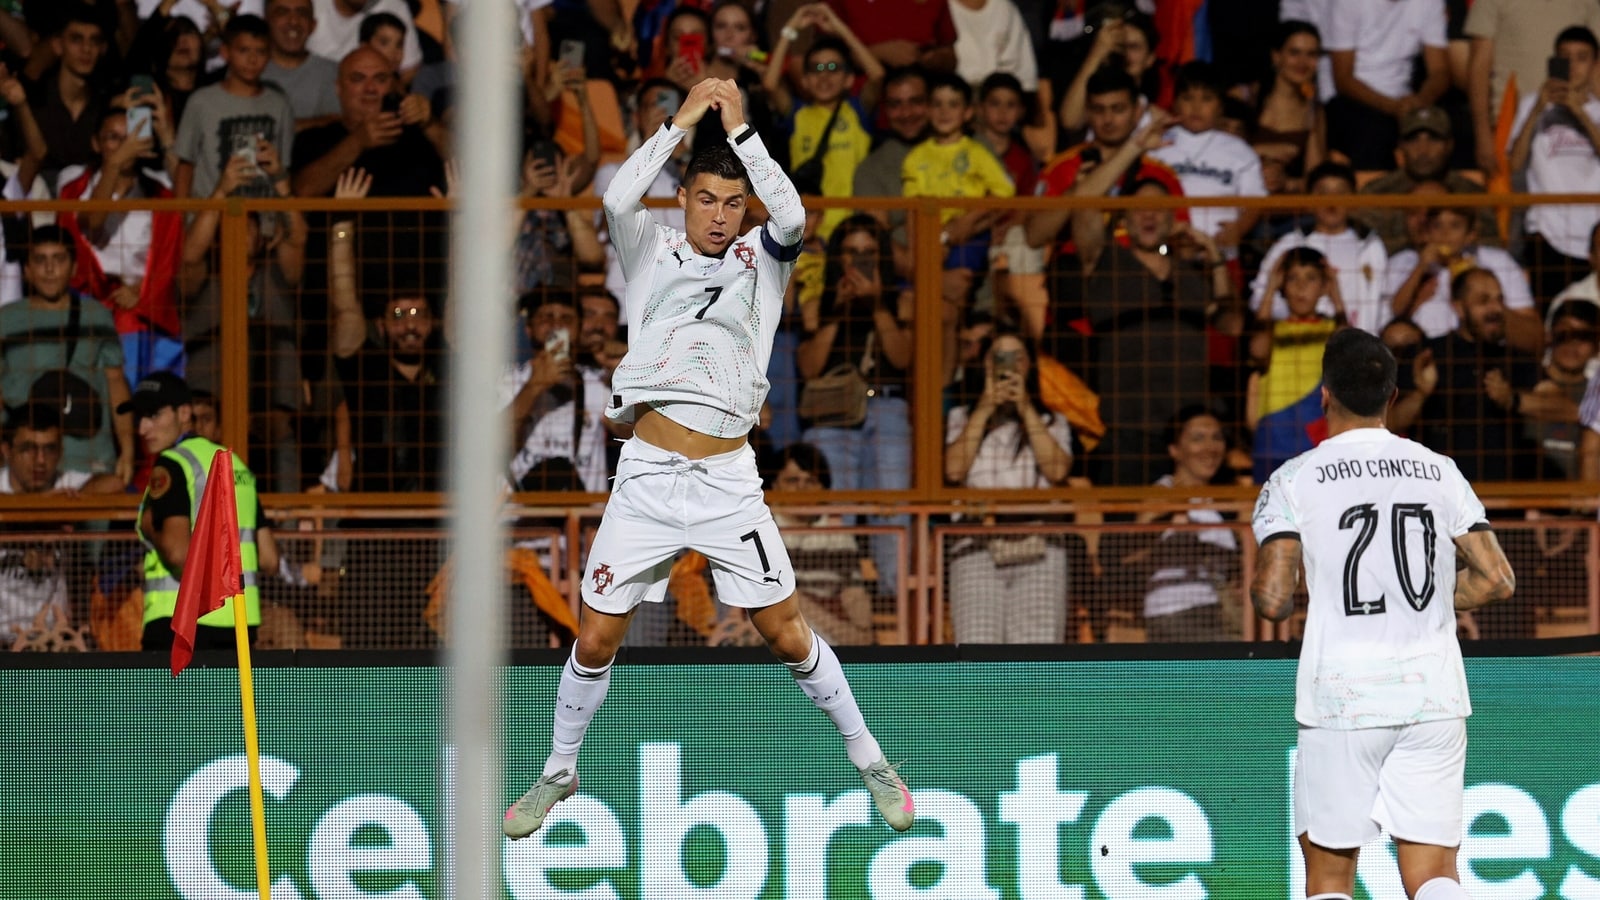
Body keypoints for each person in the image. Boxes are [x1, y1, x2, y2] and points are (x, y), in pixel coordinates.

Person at [504, 78, 913, 839]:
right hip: (647, 480)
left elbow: (793, 214)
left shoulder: (764, 256)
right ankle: (559, 770)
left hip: (727, 482)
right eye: (706, 200)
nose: (720, 215)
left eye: (732, 203)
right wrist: (683, 121)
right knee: (595, 638)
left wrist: (742, 131)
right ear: (683, 199)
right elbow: (617, 196)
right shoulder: (649, 249)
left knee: (786, 631)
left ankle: (871, 759)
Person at [1250, 327, 1515, 900]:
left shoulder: (1292, 479)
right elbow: (1497, 578)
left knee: (1329, 878)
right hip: (1433, 697)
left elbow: (1272, 600)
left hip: (1342, 699)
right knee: (1435, 875)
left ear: (1324, 394)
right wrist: (1426, 594)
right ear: (1393, 395)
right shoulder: (1440, 470)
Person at [126, 372, 281, 651]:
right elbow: (269, 560)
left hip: (181, 621)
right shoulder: (237, 466)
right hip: (240, 623)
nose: (143, 428)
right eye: (140, 418)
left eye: (153, 415)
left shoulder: (173, 464)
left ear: (184, 413)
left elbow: (177, 553)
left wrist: (150, 528)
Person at [943, 330, 1073, 644]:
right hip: (976, 546)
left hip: (1039, 548)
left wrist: (1026, 407)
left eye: (1018, 358)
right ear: (984, 365)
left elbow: (1057, 469)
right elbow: (953, 469)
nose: (1009, 365)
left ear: (1029, 366)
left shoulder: (1052, 421)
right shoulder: (962, 416)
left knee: (1036, 655)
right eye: (999, 357)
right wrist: (984, 408)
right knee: (977, 650)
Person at [0, 226, 136, 481]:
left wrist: (127, 450)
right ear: (27, 270)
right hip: (26, 466)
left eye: (59, 259)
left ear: (74, 268)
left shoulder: (97, 316)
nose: (49, 269)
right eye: (40, 260)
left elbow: (116, 383)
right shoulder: (6, 320)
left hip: (89, 460)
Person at [0, 404, 121, 639]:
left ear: (61, 451)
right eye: (28, 449)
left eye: (50, 449)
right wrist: (44, 505)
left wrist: (63, 503)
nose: (40, 461)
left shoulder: (64, 483)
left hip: (52, 636)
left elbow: (114, 483)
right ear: (7, 450)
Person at [1508, 25, 1600, 304]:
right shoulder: (1531, 105)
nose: (1572, 66)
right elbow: (1515, 162)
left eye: (1581, 58)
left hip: (1593, 235)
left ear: (1594, 65)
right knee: (1550, 315)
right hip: (1546, 233)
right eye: (1565, 57)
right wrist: (1538, 108)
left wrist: (1579, 112)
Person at [1247, 247, 1345, 482]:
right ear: (1282, 285)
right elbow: (1257, 349)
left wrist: (1337, 297)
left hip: (1318, 446)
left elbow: (1347, 352)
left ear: (1324, 286)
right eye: (1292, 279)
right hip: (1273, 444)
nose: (1301, 287)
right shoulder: (1273, 331)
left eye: (1311, 278)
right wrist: (1270, 288)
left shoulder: (1332, 331)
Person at [173, 14, 296, 200]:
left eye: (261, 51)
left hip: (264, 215)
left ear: (269, 55)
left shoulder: (280, 104)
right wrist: (182, 214)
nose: (252, 59)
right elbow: (185, 166)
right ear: (225, 52)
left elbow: (284, 169)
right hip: (211, 213)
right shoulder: (201, 102)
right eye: (243, 50)